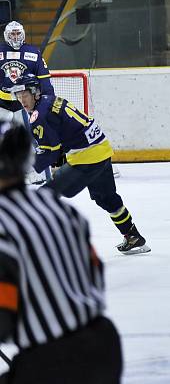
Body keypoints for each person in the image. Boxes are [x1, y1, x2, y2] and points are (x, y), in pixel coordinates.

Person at [0, 121, 123, 383]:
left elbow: (3, 317)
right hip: (104, 345)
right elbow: (95, 273)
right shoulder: (57, 207)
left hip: (51, 362)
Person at [10, 73, 150, 255]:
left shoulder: (39, 115)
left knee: (44, 196)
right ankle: (133, 236)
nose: (22, 100)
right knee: (106, 198)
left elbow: (49, 151)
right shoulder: (50, 100)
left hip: (86, 158)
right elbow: (62, 137)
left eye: (25, 95)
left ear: (35, 92)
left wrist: (20, 169)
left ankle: (30, 246)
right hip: (101, 149)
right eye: (18, 96)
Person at [0, 21, 55, 124]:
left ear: (23, 34)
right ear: (6, 35)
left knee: (30, 138)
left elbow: (45, 81)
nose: (16, 37)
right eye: (12, 34)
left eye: (18, 33)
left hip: (26, 106)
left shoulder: (33, 53)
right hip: (2, 105)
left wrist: (49, 104)